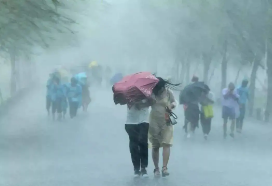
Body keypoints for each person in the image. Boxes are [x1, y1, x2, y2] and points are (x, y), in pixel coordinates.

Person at [149, 77, 178, 177]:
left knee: (167, 143)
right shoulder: (150, 93)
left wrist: (172, 106)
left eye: (161, 87)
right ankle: (156, 168)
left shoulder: (168, 92)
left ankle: (164, 168)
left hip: (166, 121)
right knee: (155, 146)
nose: (160, 89)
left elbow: (174, 102)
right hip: (154, 121)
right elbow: (146, 104)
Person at [125, 99, 151, 178]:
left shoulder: (147, 91)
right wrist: (135, 102)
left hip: (144, 121)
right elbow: (128, 105)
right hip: (131, 122)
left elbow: (152, 102)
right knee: (134, 145)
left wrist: (143, 103)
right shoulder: (128, 93)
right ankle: (136, 168)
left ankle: (143, 167)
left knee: (143, 143)